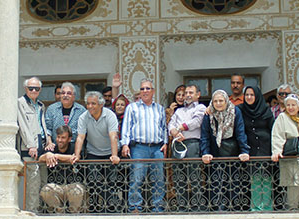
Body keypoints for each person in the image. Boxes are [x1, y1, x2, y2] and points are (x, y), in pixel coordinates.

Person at [120, 79, 167, 212]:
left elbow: (164, 128)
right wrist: (125, 144)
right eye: (142, 89)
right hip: (139, 148)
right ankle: (135, 206)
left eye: (147, 88)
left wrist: (165, 143)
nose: (145, 91)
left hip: (157, 147)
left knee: (158, 179)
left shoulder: (160, 108)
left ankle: (158, 206)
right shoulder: (132, 108)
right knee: (136, 178)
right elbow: (126, 127)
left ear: (153, 91)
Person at [200, 89, 250, 211]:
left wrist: (244, 151)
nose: (218, 103)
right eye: (215, 101)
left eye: (221, 100)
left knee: (233, 183)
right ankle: (217, 208)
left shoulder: (235, 111)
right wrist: (205, 153)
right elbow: (205, 136)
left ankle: (233, 208)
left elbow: (240, 132)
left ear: (226, 101)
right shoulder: (209, 114)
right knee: (215, 183)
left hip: (232, 153)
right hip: (215, 154)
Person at [75, 91, 120, 212]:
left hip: (109, 153)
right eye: (88, 104)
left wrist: (114, 155)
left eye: (93, 103)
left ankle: (112, 209)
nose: (90, 106)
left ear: (101, 104)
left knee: (111, 183)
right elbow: (80, 137)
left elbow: (113, 136)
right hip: (93, 152)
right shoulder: (83, 117)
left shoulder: (109, 115)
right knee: (93, 182)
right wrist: (77, 155)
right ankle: (95, 209)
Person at [168, 84, 206, 210]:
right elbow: (171, 124)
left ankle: (197, 206)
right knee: (179, 177)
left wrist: (179, 127)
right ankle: (182, 206)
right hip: (178, 144)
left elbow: (196, 122)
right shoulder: (179, 111)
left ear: (198, 95)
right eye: (186, 93)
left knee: (194, 176)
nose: (188, 95)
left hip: (192, 143)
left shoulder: (200, 108)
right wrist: (174, 132)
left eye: (191, 92)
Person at [17, 77, 53, 211]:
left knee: (43, 182)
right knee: (33, 182)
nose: (33, 91)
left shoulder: (40, 105)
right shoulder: (20, 103)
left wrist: (49, 140)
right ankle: (32, 213)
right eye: (30, 88)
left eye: (36, 88)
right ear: (26, 89)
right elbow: (23, 125)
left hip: (41, 146)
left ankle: (43, 211)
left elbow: (41, 124)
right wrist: (30, 145)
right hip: (29, 148)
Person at [239, 85, 274, 211]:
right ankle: (255, 207)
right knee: (254, 179)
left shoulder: (266, 110)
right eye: (247, 95)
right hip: (251, 148)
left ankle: (266, 207)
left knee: (266, 178)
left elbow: (273, 129)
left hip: (265, 148)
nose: (249, 97)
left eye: (252, 95)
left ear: (257, 96)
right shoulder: (241, 109)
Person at [40, 125, 84, 213]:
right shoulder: (52, 148)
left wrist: (56, 156)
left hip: (73, 185)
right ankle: (59, 212)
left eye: (63, 138)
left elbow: (74, 157)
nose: (60, 140)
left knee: (76, 191)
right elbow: (40, 159)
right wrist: (47, 155)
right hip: (57, 186)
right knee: (45, 190)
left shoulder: (74, 148)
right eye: (58, 137)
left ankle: (74, 215)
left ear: (69, 139)